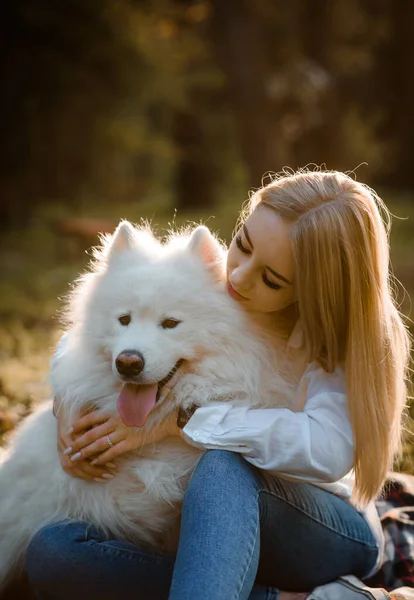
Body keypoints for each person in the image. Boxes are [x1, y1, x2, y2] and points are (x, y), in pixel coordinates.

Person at [25, 169, 411, 600]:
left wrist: (182, 421)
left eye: (271, 279)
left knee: (222, 466)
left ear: (314, 289)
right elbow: (104, 319)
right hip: (220, 531)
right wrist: (66, 402)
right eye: (242, 245)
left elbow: (326, 450)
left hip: (324, 528)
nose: (240, 277)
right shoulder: (223, 283)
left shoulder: (336, 341)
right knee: (53, 554)